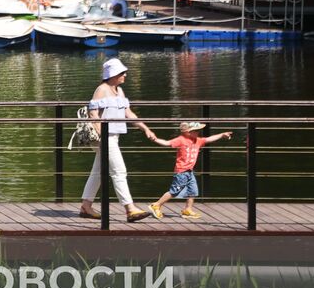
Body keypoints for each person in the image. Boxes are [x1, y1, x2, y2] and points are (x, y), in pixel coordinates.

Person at [78, 58, 155, 222]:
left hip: (115, 136)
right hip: (105, 138)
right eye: (122, 73)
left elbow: (129, 113)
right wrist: (102, 137)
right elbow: (93, 115)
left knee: (98, 172)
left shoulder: (120, 92)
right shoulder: (101, 89)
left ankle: (86, 206)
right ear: (113, 74)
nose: (125, 75)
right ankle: (130, 208)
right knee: (119, 171)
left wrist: (145, 128)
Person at [147, 122, 233, 219]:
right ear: (188, 132)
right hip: (181, 171)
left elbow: (209, 139)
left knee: (193, 191)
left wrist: (222, 135)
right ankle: (156, 205)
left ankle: (187, 210)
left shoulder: (198, 140)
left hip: (189, 171)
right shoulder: (181, 140)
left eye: (198, 131)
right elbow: (167, 143)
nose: (198, 132)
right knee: (174, 191)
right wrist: (155, 139)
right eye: (196, 131)